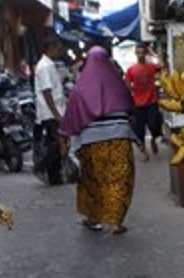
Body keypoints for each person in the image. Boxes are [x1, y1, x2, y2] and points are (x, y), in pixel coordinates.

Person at [59, 44, 137, 233]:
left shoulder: (80, 89)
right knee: (119, 179)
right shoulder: (118, 84)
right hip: (119, 139)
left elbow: (72, 116)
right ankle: (116, 221)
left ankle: (93, 219)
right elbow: (130, 109)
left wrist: (64, 137)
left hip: (91, 142)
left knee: (92, 180)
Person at [32, 37, 68, 185]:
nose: (59, 51)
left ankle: (54, 176)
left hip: (54, 109)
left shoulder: (49, 65)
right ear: (50, 48)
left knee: (54, 142)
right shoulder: (44, 66)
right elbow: (47, 91)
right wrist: (56, 114)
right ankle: (41, 167)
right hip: (49, 112)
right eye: (57, 47)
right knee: (55, 143)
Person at [124, 42, 164, 161]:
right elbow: (127, 86)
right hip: (138, 104)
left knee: (155, 126)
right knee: (139, 130)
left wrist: (153, 53)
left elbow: (162, 64)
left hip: (151, 102)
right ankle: (144, 152)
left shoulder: (151, 67)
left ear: (146, 53)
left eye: (143, 52)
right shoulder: (131, 70)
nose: (140, 55)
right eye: (138, 52)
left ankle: (153, 140)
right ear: (136, 53)